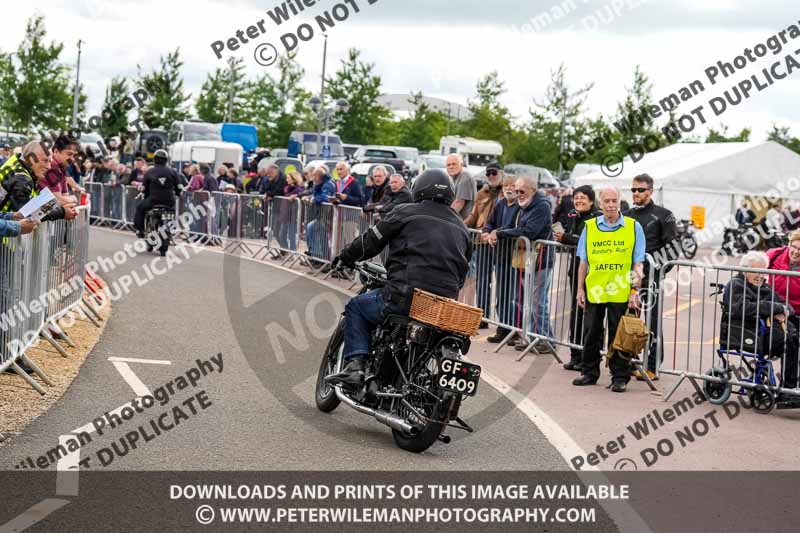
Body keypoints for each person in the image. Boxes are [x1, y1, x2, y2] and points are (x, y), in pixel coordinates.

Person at [325, 169, 472, 386]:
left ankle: (355, 366)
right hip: (442, 304)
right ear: (450, 194)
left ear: (418, 189)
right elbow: (463, 269)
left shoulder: (405, 211)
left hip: (404, 295)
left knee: (356, 307)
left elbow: (370, 241)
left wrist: (346, 256)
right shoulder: (462, 227)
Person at [574, 187, 645, 393]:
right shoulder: (590, 227)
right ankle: (589, 372)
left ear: (620, 202)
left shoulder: (633, 227)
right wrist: (580, 289)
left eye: (614, 201)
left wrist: (634, 291)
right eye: (607, 201)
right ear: (600, 204)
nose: (611, 205)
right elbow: (583, 262)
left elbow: (638, 263)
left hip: (621, 291)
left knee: (619, 336)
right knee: (591, 333)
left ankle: (620, 377)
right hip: (595, 289)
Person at [491, 174, 555, 351]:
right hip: (525, 259)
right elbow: (510, 226)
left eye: (522, 191)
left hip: (541, 260)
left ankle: (546, 340)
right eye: (517, 190)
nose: (518, 194)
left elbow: (530, 231)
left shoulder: (541, 206)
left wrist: (501, 233)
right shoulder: (522, 206)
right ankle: (530, 336)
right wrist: (495, 231)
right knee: (521, 299)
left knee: (537, 301)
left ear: (532, 191)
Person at [624, 173, 678, 381]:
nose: (636, 193)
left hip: (651, 278)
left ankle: (653, 365)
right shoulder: (626, 215)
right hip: (627, 277)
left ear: (650, 191)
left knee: (653, 322)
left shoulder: (664, 215)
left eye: (641, 190)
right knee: (628, 320)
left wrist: (655, 271)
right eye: (633, 190)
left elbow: (673, 250)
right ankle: (628, 360)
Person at [722, 251, 799, 395]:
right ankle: (788, 390)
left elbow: (786, 304)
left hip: (768, 332)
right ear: (745, 270)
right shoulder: (736, 285)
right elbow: (744, 308)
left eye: (763, 272)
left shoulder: (764, 286)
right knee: (791, 342)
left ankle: (790, 387)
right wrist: (775, 308)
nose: (761, 276)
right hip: (750, 333)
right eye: (756, 272)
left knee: (794, 339)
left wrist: (784, 311)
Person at [555, 185, 601, 371]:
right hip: (576, 271)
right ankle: (575, 355)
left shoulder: (597, 218)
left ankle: (587, 358)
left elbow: (586, 242)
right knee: (576, 314)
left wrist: (566, 237)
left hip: (594, 274)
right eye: (576, 198)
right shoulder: (575, 216)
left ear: (591, 200)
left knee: (590, 316)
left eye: (583, 198)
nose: (579, 201)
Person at [464, 161, 503, 324]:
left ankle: (503, 323)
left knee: (503, 283)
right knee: (482, 282)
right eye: (488, 174)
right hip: (482, 242)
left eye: (494, 173)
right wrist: (460, 224)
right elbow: (473, 216)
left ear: (501, 173)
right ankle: (482, 316)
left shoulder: (508, 191)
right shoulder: (482, 192)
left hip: (501, 242)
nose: (491, 176)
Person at [0, 142, 77, 221]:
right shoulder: (20, 178)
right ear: (31, 159)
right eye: (45, 161)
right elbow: (28, 214)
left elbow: (33, 205)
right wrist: (62, 212)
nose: (49, 167)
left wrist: (57, 206)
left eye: (50, 161)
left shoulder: (20, 165)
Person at [485, 176, 520, 343]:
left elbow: (512, 227)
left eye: (512, 185)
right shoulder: (501, 204)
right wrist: (487, 231)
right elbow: (489, 222)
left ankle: (513, 330)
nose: (509, 188)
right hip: (500, 256)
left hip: (515, 257)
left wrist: (495, 232)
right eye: (506, 185)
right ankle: (502, 328)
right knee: (501, 293)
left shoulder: (520, 207)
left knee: (513, 295)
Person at [133, 149, 181, 238]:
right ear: (166, 160)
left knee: (140, 208)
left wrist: (144, 192)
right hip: (169, 201)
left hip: (153, 201)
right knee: (173, 212)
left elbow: (144, 187)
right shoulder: (173, 172)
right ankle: (173, 229)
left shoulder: (150, 172)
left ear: (154, 159)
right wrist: (178, 194)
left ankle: (140, 229)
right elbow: (179, 187)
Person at [303, 165, 336, 263]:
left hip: (327, 215)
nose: (312, 178)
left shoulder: (328, 184)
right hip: (320, 214)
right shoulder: (319, 183)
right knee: (318, 234)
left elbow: (326, 197)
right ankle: (316, 254)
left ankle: (318, 255)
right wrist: (310, 197)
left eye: (314, 176)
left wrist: (315, 199)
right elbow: (315, 194)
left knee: (314, 230)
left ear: (318, 176)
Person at [446, 154, 475, 220]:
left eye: (454, 164)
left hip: (464, 223)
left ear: (461, 165)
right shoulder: (455, 178)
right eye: (448, 165)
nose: (451, 167)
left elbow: (459, 202)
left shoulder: (465, 175)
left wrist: (446, 218)